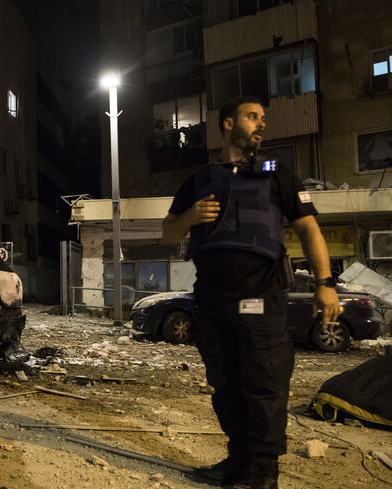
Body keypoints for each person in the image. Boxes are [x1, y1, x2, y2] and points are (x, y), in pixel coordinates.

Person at [162, 96, 340, 489]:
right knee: (225, 384)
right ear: (228, 124)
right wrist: (190, 217)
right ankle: (239, 461)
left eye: (264, 118)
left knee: (264, 384)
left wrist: (326, 284)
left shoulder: (277, 173)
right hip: (211, 300)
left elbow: (309, 229)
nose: (261, 124)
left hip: (261, 296)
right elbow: (168, 231)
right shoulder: (201, 178)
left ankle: (263, 475)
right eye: (252, 116)